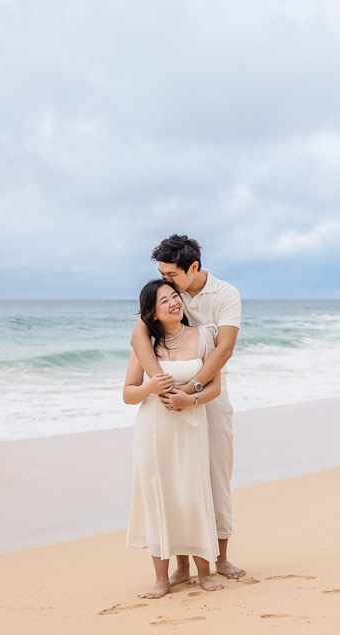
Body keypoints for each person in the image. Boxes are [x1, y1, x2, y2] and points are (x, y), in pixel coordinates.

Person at [130, 234, 246, 583]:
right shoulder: (168, 295)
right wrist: (160, 384)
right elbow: (138, 337)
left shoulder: (225, 295)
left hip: (209, 396)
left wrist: (192, 389)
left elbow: (223, 349)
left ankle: (220, 559)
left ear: (192, 267)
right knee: (179, 482)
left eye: (171, 274)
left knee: (215, 477)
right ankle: (182, 565)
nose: (166, 281)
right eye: (162, 274)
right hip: (172, 403)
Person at [123, 278, 225, 597]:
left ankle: (204, 572)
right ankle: (161, 579)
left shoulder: (204, 336)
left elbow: (214, 387)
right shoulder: (146, 346)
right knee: (161, 498)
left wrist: (190, 400)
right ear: (152, 314)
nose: (173, 303)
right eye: (163, 301)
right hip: (154, 430)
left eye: (174, 296)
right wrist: (149, 388)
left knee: (193, 495)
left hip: (191, 425)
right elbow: (128, 394)